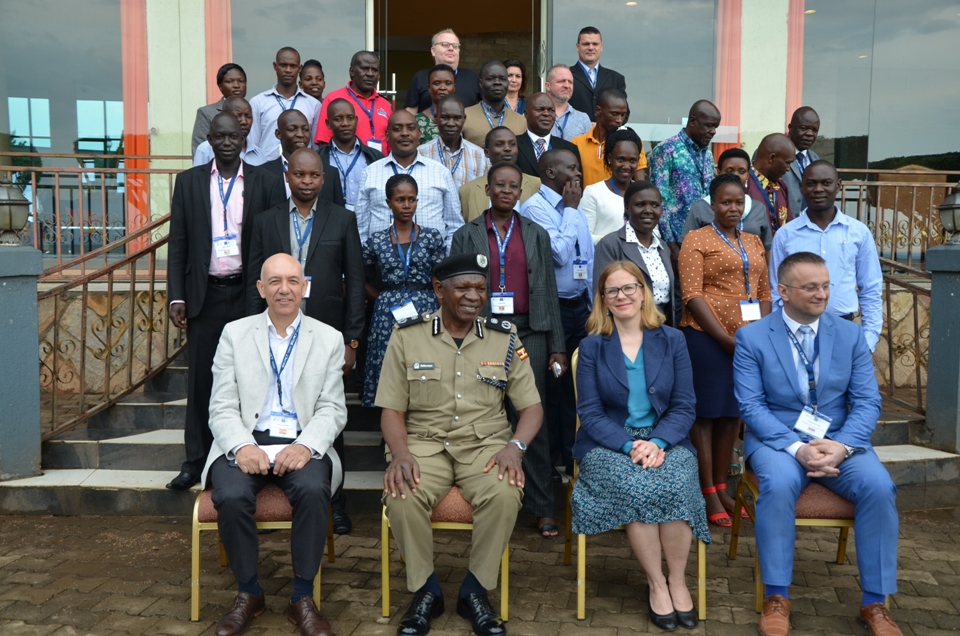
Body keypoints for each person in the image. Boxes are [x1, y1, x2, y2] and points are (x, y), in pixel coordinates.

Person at [733, 252, 902, 636]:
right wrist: (798, 448)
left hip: (840, 439)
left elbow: (867, 401)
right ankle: (776, 596)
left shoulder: (850, 334)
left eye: (826, 286)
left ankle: (874, 602)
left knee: (879, 487)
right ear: (783, 291)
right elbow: (750, 405)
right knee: (777, 485)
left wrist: (841, 446)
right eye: (811, 287)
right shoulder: (752, 337)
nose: (821, 294)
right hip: (779, 442)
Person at [376, 253, 542, 636]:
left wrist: (514, 448)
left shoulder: (504, 338)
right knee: (402, 492)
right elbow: (391, 410)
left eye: (480, 288)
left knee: (504, 493)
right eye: (463, 288)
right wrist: (399, 453)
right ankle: (425, 591)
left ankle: (475, 591)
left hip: (485, 446)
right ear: (438, 289)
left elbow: (532, 408)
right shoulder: (407, 336)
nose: (474, 296)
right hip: (422, 444)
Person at [203, 253, 345, 636]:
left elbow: (332, 408)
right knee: (230, 495)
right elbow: (220, 405)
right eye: (276, 281)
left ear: (305, 287)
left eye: (293, 281)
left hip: (301, 441)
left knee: (315, 488)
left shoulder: (329, 338)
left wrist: (307, 446)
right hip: (247, 439)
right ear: (260, 288)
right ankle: (249, 593)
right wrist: (240, 446)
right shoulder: (235, 333)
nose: (285, 289)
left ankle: (302, 598)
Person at [572, 260, 708, 631]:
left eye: (630, 287)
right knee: (637, 487)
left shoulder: (673, 340)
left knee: (678, 481)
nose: (622, 296)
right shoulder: (591, 347)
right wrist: (630, 446)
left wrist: (658, 441)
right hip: (609, 443)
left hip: (667, 438)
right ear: (602, 299)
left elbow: (684, 405)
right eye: (612, 290)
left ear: (644, 291)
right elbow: (591, 413)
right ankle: (656, 583)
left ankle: (678, 580)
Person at [246, 148, 366, 535]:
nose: (307, 182)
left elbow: (357, 280)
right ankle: (273, 488)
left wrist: (352, 341)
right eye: (299, 175)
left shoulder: (343, 219)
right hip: (276, 329)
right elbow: (255, 279)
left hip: (326, 332)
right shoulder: (266, 221)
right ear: (288, 176)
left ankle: (336, 501)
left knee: (330, 414)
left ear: (323, 178)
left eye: (314, 176)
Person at [166, 112, 286, 491]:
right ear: (210, 140)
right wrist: (177, 297)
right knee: (202, 382)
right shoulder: (189, 183)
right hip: (205, 296)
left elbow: (274, 242)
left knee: (253, 380)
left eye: (233, 136)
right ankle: (194, 463)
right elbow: (179, 244)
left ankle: (252, 460)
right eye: (219, 136)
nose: (227, 142)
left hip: (249, 295)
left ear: (244, 137)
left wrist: (271, 296)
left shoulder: (266, 182)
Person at [451, 161, 567, 538]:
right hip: (481, 332)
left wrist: (557, 347)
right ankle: (492, 497)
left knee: (531, 415)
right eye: (499, 185)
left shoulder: (535, 233)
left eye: (513, 186)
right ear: (487, 189)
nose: (506, 191)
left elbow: (548, 289)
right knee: (484, 415)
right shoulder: (466, 234)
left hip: (528, 333)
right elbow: (455, 291)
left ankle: (542, 505)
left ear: (521, 192)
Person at [678, 174, 772, 525]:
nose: (732, 208)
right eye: (725, 202)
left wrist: (758, 335)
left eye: (738, 202)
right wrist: (724, 338)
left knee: (732, 414)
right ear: (712, 204)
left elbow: (764, 294)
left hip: (748, 343)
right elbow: (692, 295)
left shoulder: (753, 240)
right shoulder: (696, 238)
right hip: (706, 339)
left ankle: (723, 486)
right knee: (705, 415)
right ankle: (707, 494)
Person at [519, 149, 593, 477]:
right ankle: (549, 462)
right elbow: (559, 254)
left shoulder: (574, 208)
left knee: (577, 386)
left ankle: (571, 455)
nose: (578, 174)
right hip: (554, 314)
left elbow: (586, 260)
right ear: (550, 173)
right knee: (556, 383)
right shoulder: (536, 208)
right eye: (572, 168)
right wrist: (573, 211)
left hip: (581, 310)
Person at [770, 160, 882, 351]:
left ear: (838, 186)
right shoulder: (785, 235)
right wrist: (780, 338)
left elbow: (871, 289)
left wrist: (868, 339)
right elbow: (776, 290)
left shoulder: (858, 233)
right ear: (801, 187)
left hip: (843, 329)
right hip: (795, 332)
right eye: (811, 183)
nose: (818, 189)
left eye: (826, 183)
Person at [361, 174, 446, 408]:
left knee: (424, 365)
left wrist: (440, 306)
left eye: (412, 199)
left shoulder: (431, 237)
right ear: (389, 202)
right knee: (389, 366)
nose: (407, 205)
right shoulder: (376, 241)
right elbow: (357, 277)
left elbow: (441, 277)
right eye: (400, 200)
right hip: (387, 314)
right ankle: (388, 429)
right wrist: (380, 298)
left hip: (426, 310)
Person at [354, 110, 463, 250]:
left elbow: (455, 225)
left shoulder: (440, 172)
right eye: (397, 129)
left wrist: (444, 261)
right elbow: (360, 228)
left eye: (411, 128)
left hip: (433, 265)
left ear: (419, 133)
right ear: (387, 135)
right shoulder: (370, 173)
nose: (405, 133)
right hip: (381, 264)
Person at [594, 181, 675, 325]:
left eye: (655, 205)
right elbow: (601, 296)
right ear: (627, 208)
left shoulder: (663, 247)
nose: (648, 210)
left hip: (663, 326)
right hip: (627, 327)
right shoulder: (610, 244)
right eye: (640, 205)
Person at [650, 100, 721, 265]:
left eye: (715, 127)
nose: (713, 132)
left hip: (707, 243)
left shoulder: (708, 155)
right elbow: (659, 201)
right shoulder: (666, 150)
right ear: (693, 121)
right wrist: (671, 245)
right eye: (709, 126)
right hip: (677, 244)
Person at [680, 148, 772, 252]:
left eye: (742, 171)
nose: (735, 175)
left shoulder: (758, 208)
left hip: (752, 267)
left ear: (747, 175)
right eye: (729, 171)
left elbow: (767, 248)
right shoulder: (701, 207)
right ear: (718, 172)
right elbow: (687, 247)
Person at [257, 109, 344, 206]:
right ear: (278, 134)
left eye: (306, 129)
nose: (301, 134)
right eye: (292, 129)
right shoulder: (263, 173)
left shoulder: (330, 173)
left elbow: (339, 215)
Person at [248, 47, 322, 161]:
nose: (288, 70)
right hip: (267, 169)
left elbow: (316, 147)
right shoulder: (258, 102)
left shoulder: (314, 105)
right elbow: (253, 144)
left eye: (293, 66)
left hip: (303, 170)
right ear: (275, 66)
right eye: (283, 65)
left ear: (299, 68)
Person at [314, 51, 392, 153]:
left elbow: (391, 145)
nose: (370, 74)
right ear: (352, 71)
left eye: (375, 70)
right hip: (345, 167)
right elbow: (324, 143)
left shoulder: (385, 104)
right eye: (364, 69)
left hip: (380, 167)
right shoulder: (333, 99)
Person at [459, 127, 542, 223]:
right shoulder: (467, 190)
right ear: (487, 152)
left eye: (512, 144)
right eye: (499, 144)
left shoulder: (538, 185)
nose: (507, 148)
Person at [317, 98, 384, 211]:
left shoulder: (376, 157)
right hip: (332, 220)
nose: (345, 123)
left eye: (350, 118)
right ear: (328, 123)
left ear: (356, 121)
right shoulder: (318, 158)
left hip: (367, 221)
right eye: (338, 119)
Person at [581, 127, 644, 244]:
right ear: (610, 158)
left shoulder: (643, 194)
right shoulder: (593, 193)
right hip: (606, 259)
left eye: (632, 161)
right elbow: (584, 236)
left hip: (637, 260)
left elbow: (654, 233)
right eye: (620, 159)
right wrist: (618, 243)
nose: (626, 166)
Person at [572, 88, 644, 187]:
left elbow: (640, 185)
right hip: (586, 202)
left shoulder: (631, 143)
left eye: (623, 115)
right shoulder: (576, 143)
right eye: (614, 114)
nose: (619, 120)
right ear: (598, 111)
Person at [416, 94, 489, 189]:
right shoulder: (421, 153)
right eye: (445, 117)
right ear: (436, 118)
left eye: (457, 118)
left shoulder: (480, 156)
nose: (451, 123)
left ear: (464, 119)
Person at [404, 29, 482, 114]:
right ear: (433, 51)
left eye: (455, 46)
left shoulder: (472, 77)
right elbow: (410, 114)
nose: (451, 48)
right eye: (445, 45)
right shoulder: (420, 77)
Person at [515, 92, 581, 179]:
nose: (546, 114)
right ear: (526, 114)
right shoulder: (513, 145)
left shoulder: (569, 149)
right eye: (540, 109)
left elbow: (576, 182)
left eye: (551, 110)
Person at [568, 27, 627, 123]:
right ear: (577, 47)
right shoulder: (565, 76)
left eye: (595, 44)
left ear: (601, 47)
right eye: (586, 44)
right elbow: (558, 109)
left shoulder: (616, 79)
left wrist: (601, 126)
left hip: (607, 136)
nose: (591, 48)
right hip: (574, 136)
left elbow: (624, 113)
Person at [462, 61, 527, 147]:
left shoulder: (522, 121)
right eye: (490, 78)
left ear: (507, 84)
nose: (497, 82)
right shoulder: (463, 116)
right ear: (481, 84)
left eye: (503, 79)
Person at [193, 96, 268, 167]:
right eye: (238, 115)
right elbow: (198, 178)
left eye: (248, 116)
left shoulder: (259, 154)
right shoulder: (206, 149)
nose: (244, 122)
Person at [191, 63, 247, 155]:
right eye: (230, 81)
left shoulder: (253, 110)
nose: (236, 85)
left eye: (241, 81)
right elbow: (199, 150)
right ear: (220, 86)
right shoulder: (206, 113)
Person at [747, 133, 796, 234]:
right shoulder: (744, 184)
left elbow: (790, 226)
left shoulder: (782, 186)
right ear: (772, 158)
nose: (788, 168)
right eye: (787, 163)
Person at [783, 106, 821, 218]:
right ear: (790, 128)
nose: (810, 134)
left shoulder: (815, 158)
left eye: (814, 130)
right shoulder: (773, 152)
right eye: (804, 128)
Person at [544, 64, 592, 141]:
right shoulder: (535, 115)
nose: (567, 86)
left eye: (570, 82)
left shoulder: (583, 118)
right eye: (561, 81)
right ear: (548, 86)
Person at [413, 64, 456, 143]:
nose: (442, 87)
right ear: (429, 88)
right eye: (437, 83)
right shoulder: (415, 121)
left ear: (454, 88)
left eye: (448, 83)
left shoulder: (463, 121)